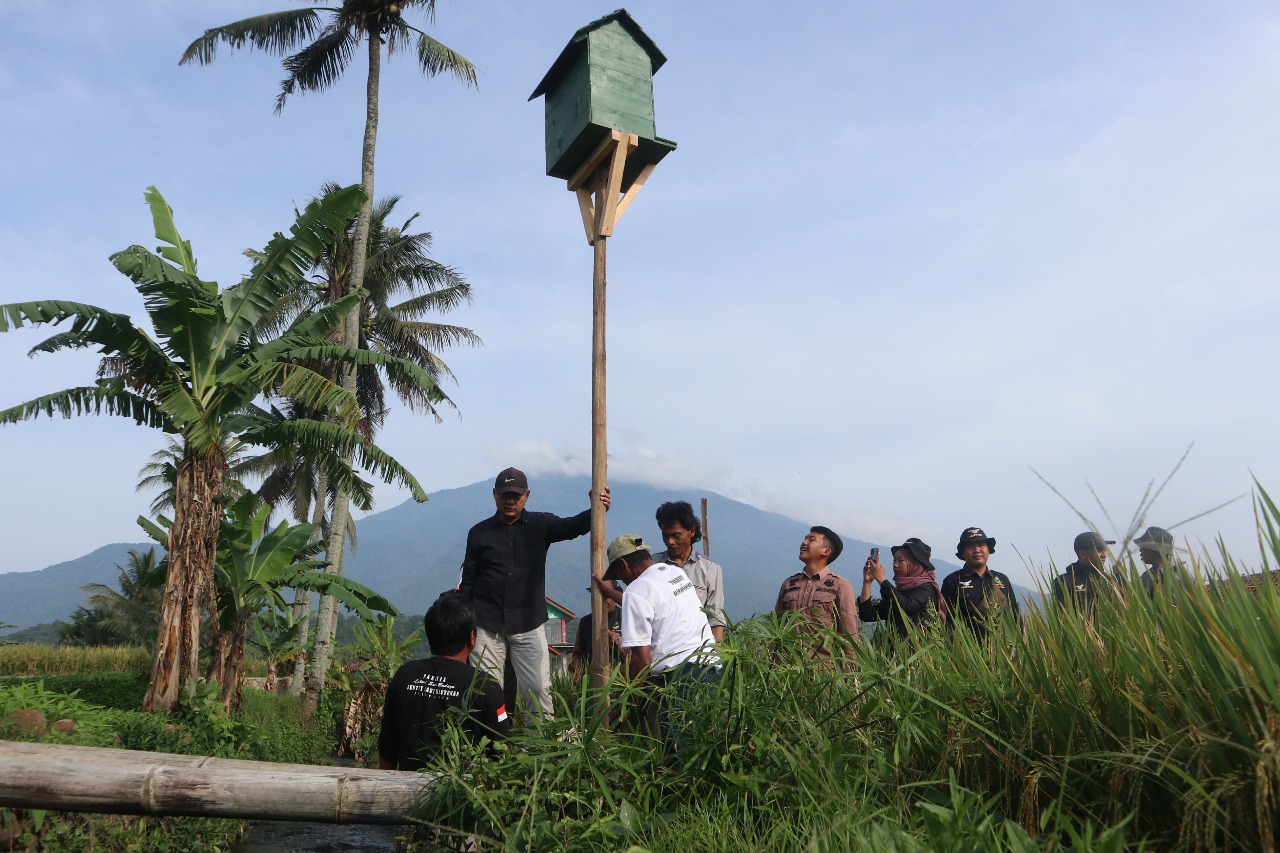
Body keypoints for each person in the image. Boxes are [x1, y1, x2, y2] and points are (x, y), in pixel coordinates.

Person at [458, 467, 610, 720]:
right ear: (494, 494)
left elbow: (572, 527)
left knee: (538, 688)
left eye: (516, 496)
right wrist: (466, 625)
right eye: (505, 495)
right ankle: (491, 747)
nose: (510, 501)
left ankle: (539, 748)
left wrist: (597, 507)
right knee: (487, 691)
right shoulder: (479, 533)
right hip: (486, 624)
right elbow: (469, 582)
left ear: (527, 495)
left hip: (528, 622)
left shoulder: (541, 524)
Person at [378, 592, 510, 771]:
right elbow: (501, 751)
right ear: (472, 638)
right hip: (460, 792)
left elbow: (387, 745)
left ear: (430, 635)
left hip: (403, 788)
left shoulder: (405, 674)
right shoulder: (485, 685)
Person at [773, 526, 860, 658]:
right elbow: (776, 627)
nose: (804, 542)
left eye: (811, 540)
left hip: (824, 670)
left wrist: (849, 673)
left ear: (826, 551)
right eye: (805, 538)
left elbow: (849, 635)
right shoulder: (789, 584)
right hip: (788, 668)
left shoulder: (840, 586)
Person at [650, 501, 727, 641]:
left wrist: (716, 657)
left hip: (696, 651)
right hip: (660, 650)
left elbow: (715, 619)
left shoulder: (710, 569)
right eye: (665, 536)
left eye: (676, 535)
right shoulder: (653, 566)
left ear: (691, 531)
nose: (670, 541)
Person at [940, 527, 1020, 640]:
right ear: (963, 553)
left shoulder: (1001, 579)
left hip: (1002, 648)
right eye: (970, 546)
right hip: (968, 649)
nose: (977, 550)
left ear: (988, 550)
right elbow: (946, 620)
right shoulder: (953, 581)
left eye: (981, 545)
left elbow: (1014, 615)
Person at [858, 538, 945, 639]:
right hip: (894, 653)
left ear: (915, 563)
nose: (895, 565)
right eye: (894, 560)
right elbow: (867, 615)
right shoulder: (898, 591)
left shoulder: (926, 589)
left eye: (901, 560)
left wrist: (881, 579)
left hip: (917, 652)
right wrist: (867, 583)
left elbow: (906, 606)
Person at [1050, 531, 1116, 613]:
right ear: (1083, 554)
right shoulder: (1065, 581)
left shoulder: (1108, 580)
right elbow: (1061, 616)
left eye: (1105, 550)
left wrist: (1122, 580)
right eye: (1099, 550)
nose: (1104, 554)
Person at [570, 581, 623, 677]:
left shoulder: (626, 617)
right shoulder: (585, 622)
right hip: (591, 680)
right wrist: (575, 662)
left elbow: (633, 653)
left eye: (606, 596)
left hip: (619, 681)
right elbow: (577, 652)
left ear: (614, 597)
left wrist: (615, 640)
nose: (600, 601)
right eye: (596, 597)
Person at [1134, 526, 1189, 599]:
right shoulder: (1146, 576)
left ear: (1154, 549)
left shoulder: (1179, 576)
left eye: (1143, 547)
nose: (1140, 550)